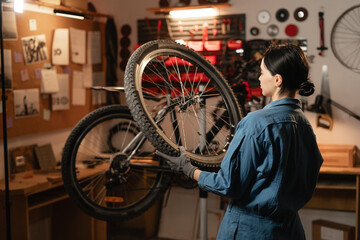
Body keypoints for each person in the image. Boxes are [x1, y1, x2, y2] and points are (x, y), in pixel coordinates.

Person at [156, 44, 323, 239]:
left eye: (262, 73)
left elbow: (227, 184)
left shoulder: (256, 123)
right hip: (290, 230)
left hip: (250, 229)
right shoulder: (305, 125)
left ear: (277, 80)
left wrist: (188, 170)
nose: (259, 78)